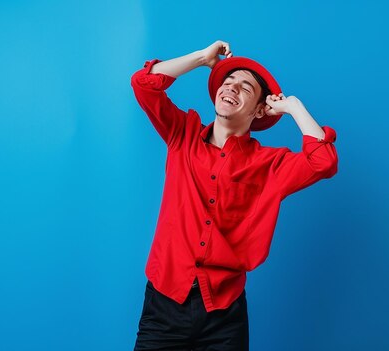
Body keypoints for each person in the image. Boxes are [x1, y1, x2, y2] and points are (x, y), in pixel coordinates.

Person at [130, 40, 339, 351]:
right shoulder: (181, 134)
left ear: (258, 110)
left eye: (246, 88)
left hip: (224, 314)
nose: (232, 88)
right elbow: (144, 84)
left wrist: (293, 107)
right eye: (228, 81)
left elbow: (324, 161)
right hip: (164, 304)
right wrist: (202, 58)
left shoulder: (270, 165)